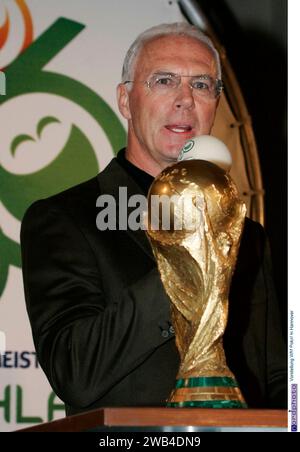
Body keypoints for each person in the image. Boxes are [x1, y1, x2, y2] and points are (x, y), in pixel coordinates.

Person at [21, 22, 287, 416]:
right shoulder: (64, 219)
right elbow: (74, 370)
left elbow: (277, 378)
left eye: (201, 85)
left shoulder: (247, 235)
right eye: (164, 81)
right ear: (126, 101)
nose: (185, 100)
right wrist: (185, 258)